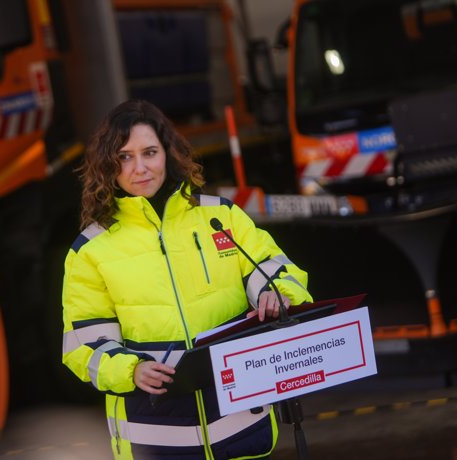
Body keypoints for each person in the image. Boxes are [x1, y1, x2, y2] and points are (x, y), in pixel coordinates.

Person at [61, 99, 313, 459]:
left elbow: (272, 265)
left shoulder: (219, 216)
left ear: (168, 153)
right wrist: (130, 370)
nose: (140, 167)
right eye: (125, 157)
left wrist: (276, 292)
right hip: (155, 434)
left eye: (149, 152)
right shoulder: (90, 249)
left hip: (240, 424)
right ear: (108, 166)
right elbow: (83, 345)